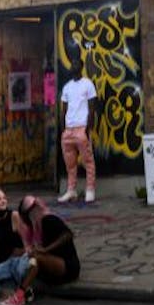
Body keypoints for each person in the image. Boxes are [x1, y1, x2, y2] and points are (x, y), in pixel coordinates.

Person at [0, 194, 80, 305]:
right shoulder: (35, 227)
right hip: (52, 264)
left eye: (24, 217)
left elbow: (68, 234)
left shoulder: (48, 219)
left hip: (68, 266)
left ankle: (20, 296)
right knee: (23, 257)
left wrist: (46, 250)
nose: (24, 221)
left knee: (36, 257)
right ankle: (5, 288)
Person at [57, 58, 98, 204]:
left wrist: (88, 128)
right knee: (70, 164)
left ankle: (90, 190)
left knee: (88, 161)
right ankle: (71, 190)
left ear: (81, 66)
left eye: (76, 64)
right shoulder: (67, 87)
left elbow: (92, 107)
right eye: (72, 64)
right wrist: (63, 129)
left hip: (82, 128)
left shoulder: (88, 84)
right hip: (68, 130)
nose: (73, 66)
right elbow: (63, 109)